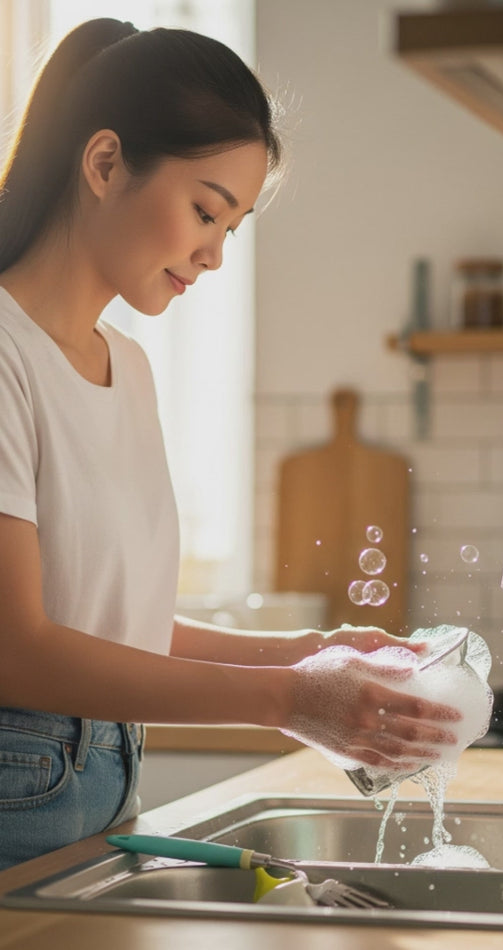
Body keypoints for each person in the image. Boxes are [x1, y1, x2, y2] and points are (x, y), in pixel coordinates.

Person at [0, 18, 461, 870]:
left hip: (101, 775)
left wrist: (309, 654)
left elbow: (111, 620)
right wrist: (285, 697)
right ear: (104, 164)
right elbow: (16, 647)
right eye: (205, 210)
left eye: (232, 227)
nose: (212, 255)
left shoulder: (125, 367)